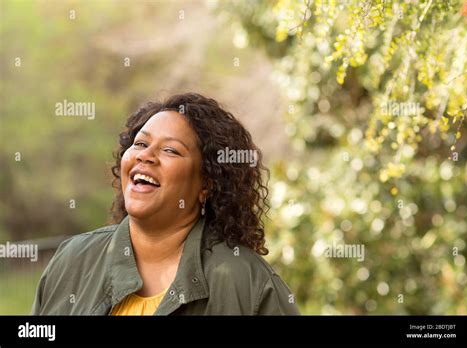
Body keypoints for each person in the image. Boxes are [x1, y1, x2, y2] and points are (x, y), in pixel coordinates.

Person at [32, 92, 300, 315]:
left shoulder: (248, 285)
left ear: (207, 183)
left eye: (170, 150)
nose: (146, 156)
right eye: (140, 143)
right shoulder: (72, 261)